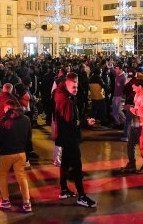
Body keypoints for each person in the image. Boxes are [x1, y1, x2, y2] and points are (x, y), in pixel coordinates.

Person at [54, 72, 97, 208]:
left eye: (77, 86)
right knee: (77, 167)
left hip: (65, 137)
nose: (76, 89)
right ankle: (82, 196)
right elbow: (71, 122)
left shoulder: (62, 94)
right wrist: (85, 122)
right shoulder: (66, 100)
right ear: (66, 83)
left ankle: (64, 189)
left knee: (65, 163)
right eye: (73, 86)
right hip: (70, 137)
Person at [0, 99, 32, 212]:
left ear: (8, 108)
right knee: (21, 177)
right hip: (21, 153)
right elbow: (29, 138)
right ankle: (27, 203)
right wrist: (28, 154)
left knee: (3, 175)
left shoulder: (5, 119)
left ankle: (5, 201)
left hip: (6, 153)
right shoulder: (26, 119)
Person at [121, 79, 143, 174]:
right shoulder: (137, 94)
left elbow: (142, 113)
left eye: (134, 86)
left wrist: (129, 108)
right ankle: (132, 164)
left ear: (140, 86)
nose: (132, 88)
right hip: (135, 123)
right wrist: (131, 107)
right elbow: (137, 107)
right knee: (130, 144)